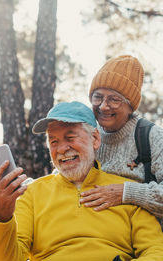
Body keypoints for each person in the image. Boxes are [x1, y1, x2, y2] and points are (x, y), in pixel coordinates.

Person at [0, 101, 163, 261]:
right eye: (53, 141)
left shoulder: (125, 191)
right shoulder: (31, 193)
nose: (62, 148)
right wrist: (1, 215)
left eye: (70, 138)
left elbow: (155, 251)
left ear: (95, 139)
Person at [80, 55, 163, 228]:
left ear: (131, 105)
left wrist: (126, 193)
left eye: (114, 99)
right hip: (88, 233)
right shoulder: (85, 133)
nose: (103, 106)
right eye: (98, 97)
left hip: (141, 240)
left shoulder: (152, 137)